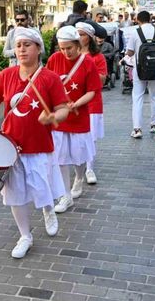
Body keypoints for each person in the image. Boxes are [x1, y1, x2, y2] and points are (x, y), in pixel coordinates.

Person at [0, 27, 70, 259]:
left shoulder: (49, 78)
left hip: (39, 145)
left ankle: (47, 209)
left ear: (38, 49)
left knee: (41, 186)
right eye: (18, 45)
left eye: (27, 45)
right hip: (11, 146)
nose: (22, 49)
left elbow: (63, 107)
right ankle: (25, 235)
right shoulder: (6, 75)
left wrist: (54, 117)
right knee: (15, 193)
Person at [47, 26, 101, 213]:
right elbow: (46, 83)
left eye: (69, 48)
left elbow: (93, 91)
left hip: (79, 118)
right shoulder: (54, 59)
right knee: (60, 158)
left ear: (78, 45)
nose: (65, 52)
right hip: (60, 119)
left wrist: (77, 104)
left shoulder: (87, 63)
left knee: (79, 157)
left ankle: (79, 178)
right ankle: (65, 195)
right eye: (62, 48)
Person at [127, 11, 155, 138]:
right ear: (150, 19)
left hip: (139, 69)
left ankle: (137, 129)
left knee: (137, 97)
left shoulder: (136, 32)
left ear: (138, 20)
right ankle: (154, 125)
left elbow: (129, 52)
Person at [75, 22, 106, 185]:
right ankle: (77, 169)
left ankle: (89, 168)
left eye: (82, 34)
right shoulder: (70, 55)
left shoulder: (97, 57)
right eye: (77, 34)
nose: (79, 38)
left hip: (92, 103)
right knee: (76, 138)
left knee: (91, 138)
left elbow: (101, 79)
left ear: (89, 37)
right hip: (73, 103)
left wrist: (87, 72)